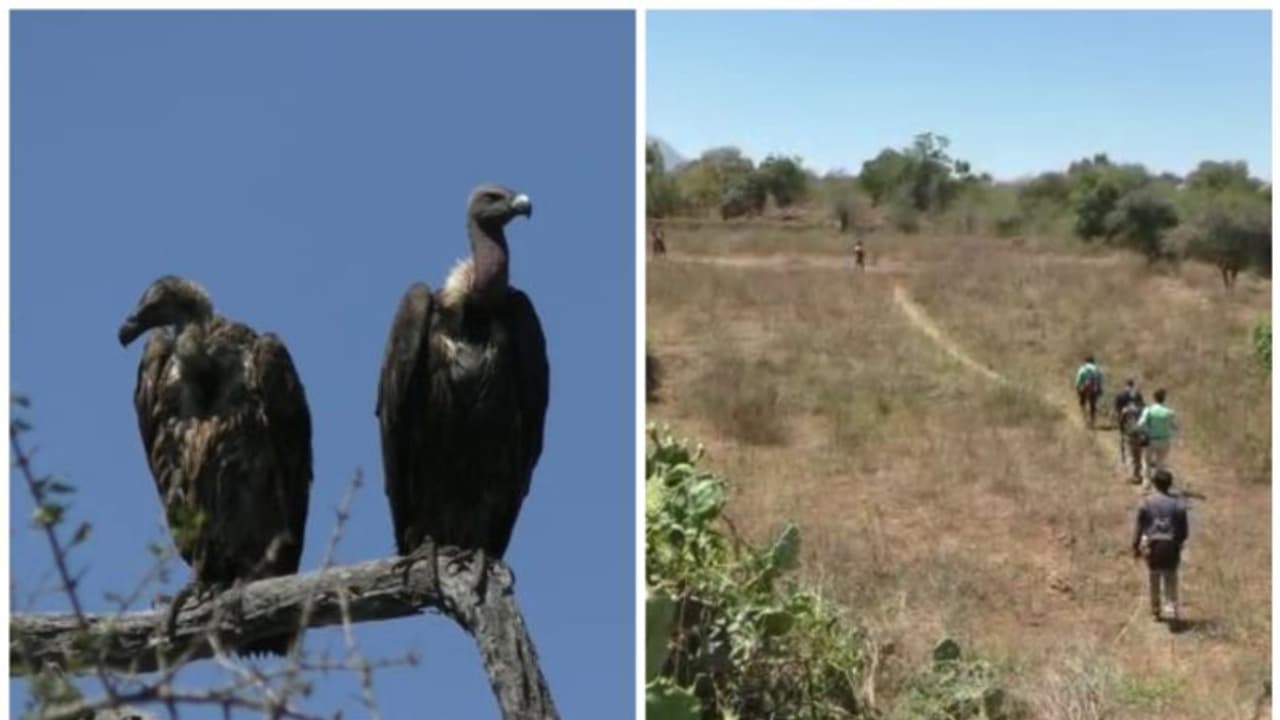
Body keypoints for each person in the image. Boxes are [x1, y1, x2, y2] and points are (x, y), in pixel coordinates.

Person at [1132, 469, 1189, 622]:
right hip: (1171, 545)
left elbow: (1139, 527)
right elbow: (1184, 531)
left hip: (1153, 545)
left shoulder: (1146, 503)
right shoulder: (1178, 505)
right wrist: (1178, 543)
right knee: (1171, 576)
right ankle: (1171, 605)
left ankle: (1155, 609)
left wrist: (1135, 547)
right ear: (1170, 484)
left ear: (1155, 484)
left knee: (1154, 576)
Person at [1136, 388, 1177, 483]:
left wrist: (1144, 431)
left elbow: (1140, 424)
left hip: (1151, 440)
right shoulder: (1169, 412)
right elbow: (1174, 426)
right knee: (1160, 462)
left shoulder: (1149, 410)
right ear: (1164, 398)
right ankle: (1159, 481)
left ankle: (1146, 481)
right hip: (1164, 440)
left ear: (1154, 398)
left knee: (1146, 461)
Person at [1118, 397, 1145, 483]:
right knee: (1138, 455)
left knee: (1131, 455)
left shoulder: (1125, 410)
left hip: (1129, 434)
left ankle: (1134, 476)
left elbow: (1121, 421)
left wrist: (1122, 431)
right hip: (1139, 434)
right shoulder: (1141, 410)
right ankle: (1138, 474)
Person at [1073, 356, 1104, 428]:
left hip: (1085, 388)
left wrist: (1077, 387)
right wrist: (1099, 388)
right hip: (1094, 389)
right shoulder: (1097, 369)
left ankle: (1084, 418)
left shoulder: (1083, 369)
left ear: (1086, 361)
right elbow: (1100, 380)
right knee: (1093, 404)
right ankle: (1092, 421)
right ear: (1093, 361)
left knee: (1082, 402)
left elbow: (1078, 379)